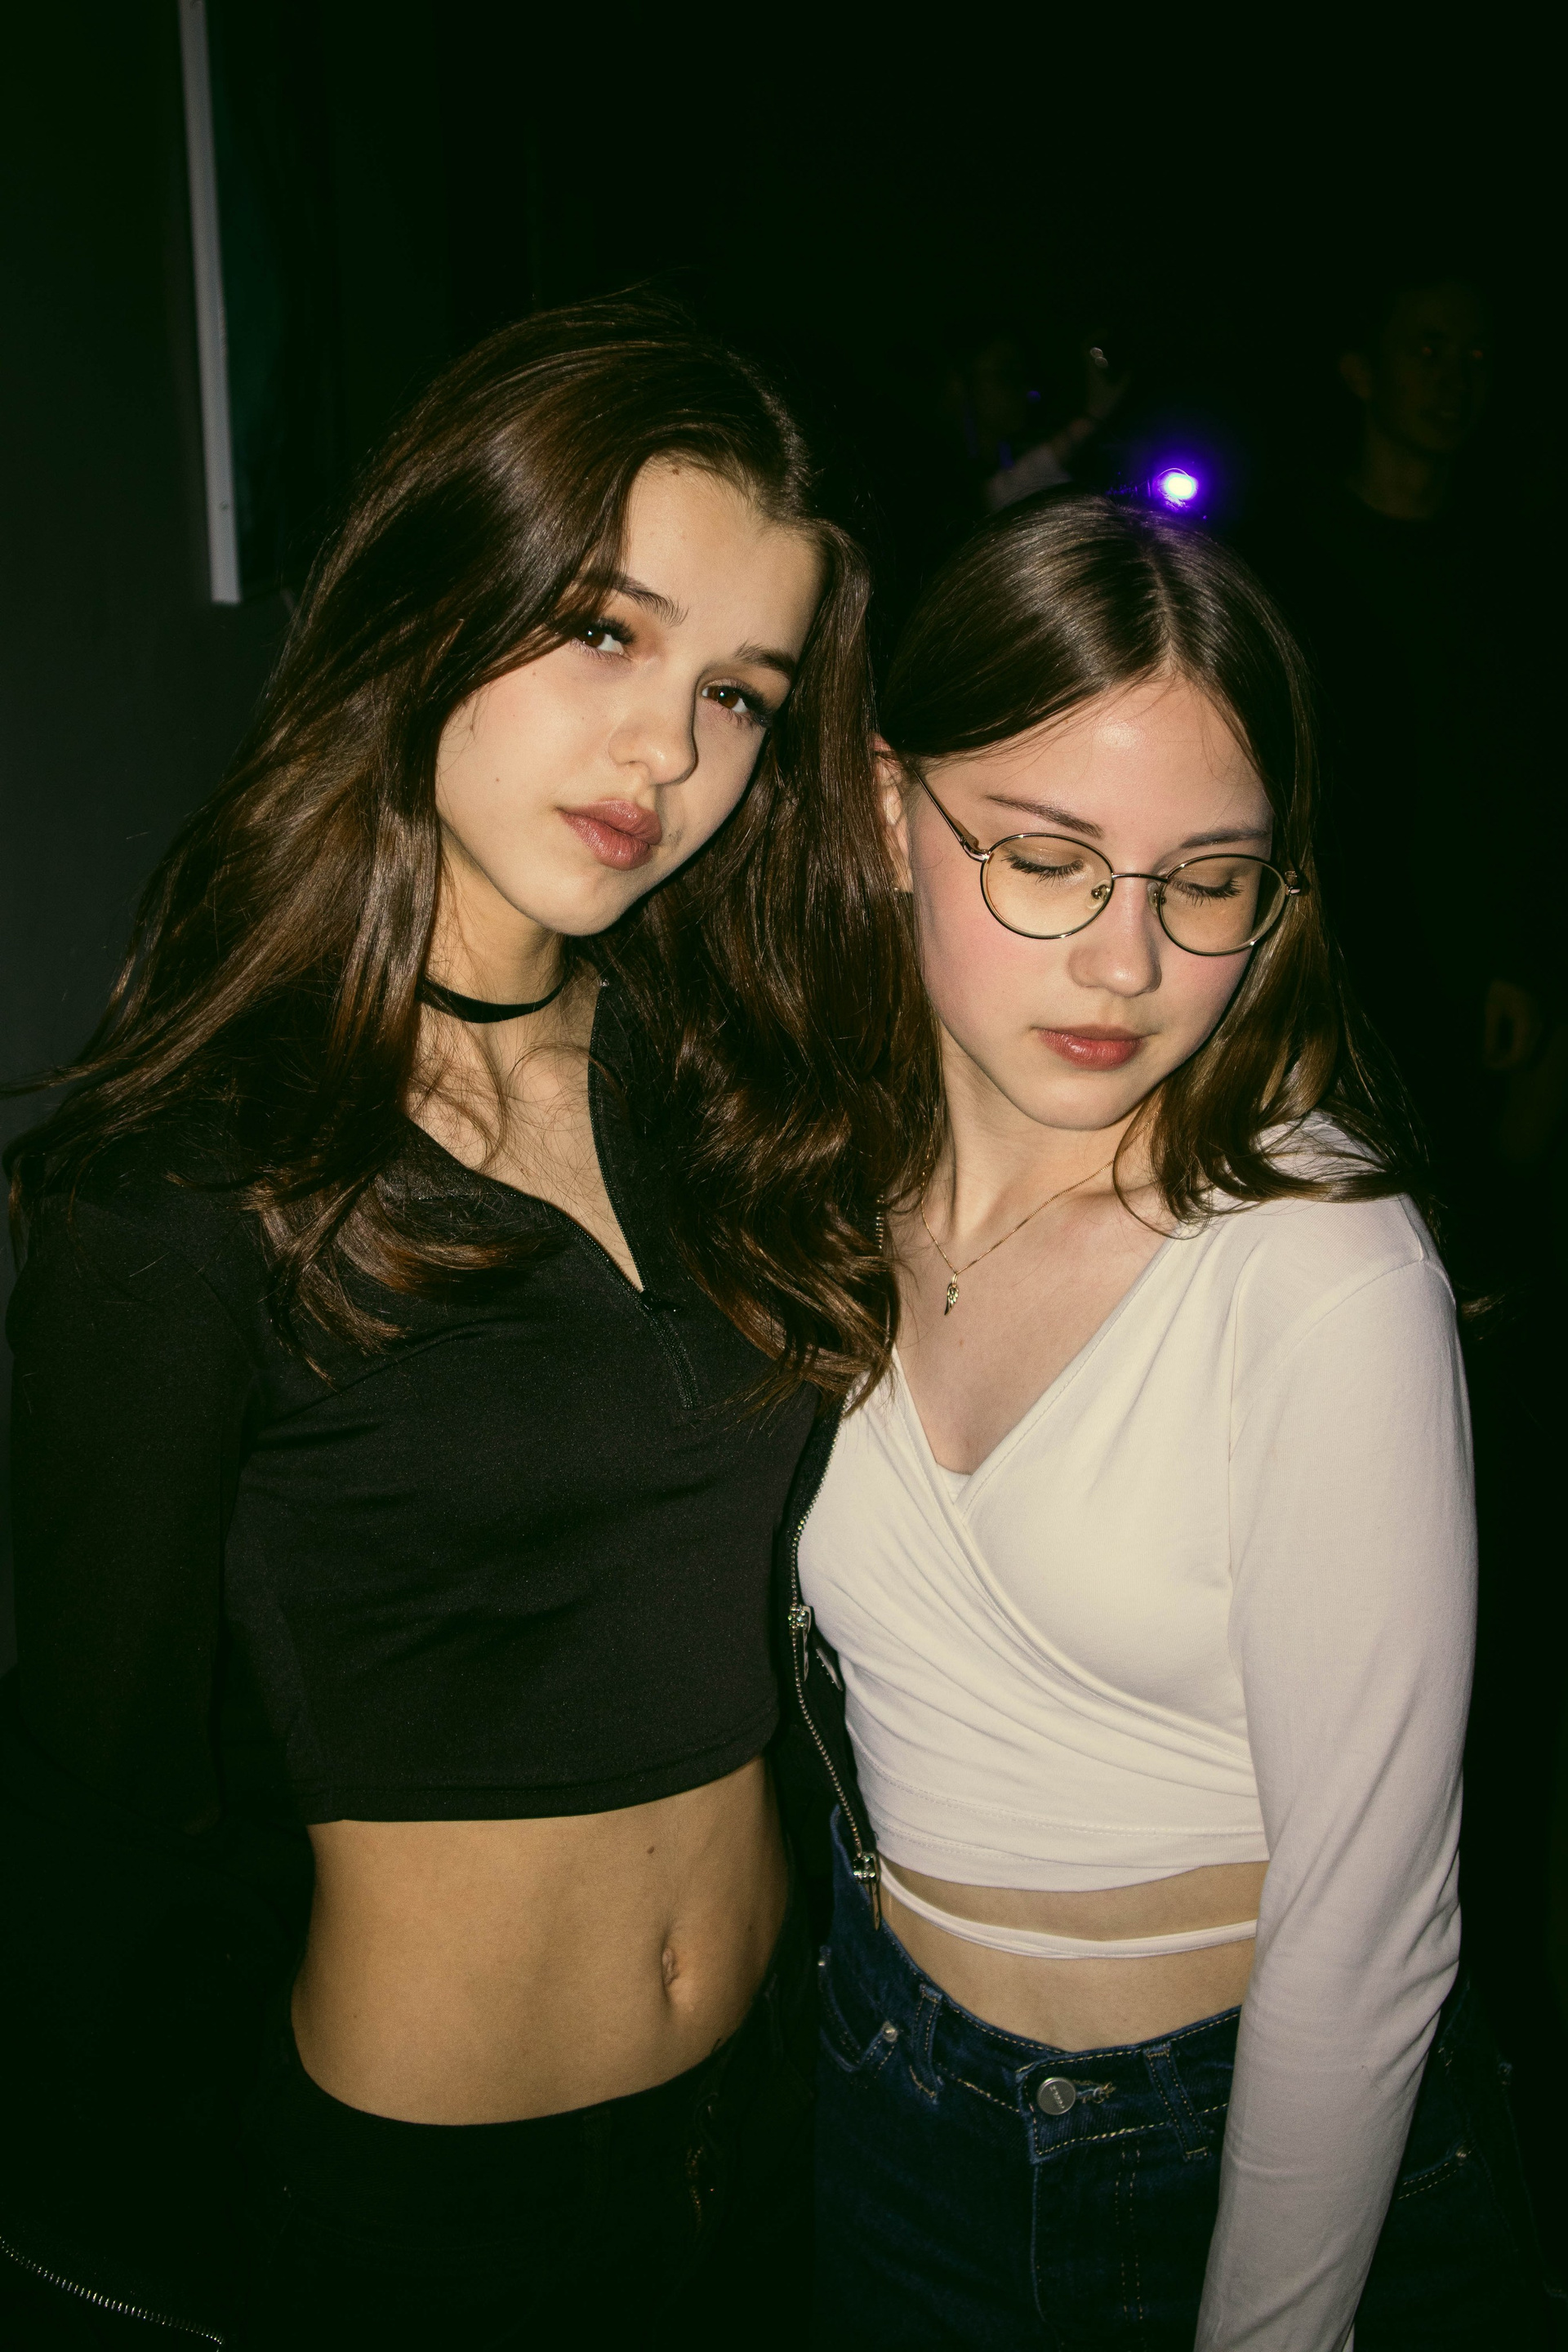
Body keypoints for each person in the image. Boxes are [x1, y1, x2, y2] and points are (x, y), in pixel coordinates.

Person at [1, 299, 902, 2347]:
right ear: (433, 599)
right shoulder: (194, 1184)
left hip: (783, 2112)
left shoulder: (717, 1085)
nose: (669, 752)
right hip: (441, 2223)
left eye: (740, 695)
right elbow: (103, 1798)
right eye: (604, 632)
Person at [780, 494, 1549, 2345]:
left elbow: (1370, 1933)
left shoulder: (1315, 1263)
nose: (1126, 965)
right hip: (880, 2086)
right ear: (887, 813)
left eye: (1206, 882)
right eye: (1047, 859)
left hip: (1222, 2135)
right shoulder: (818, 1177)